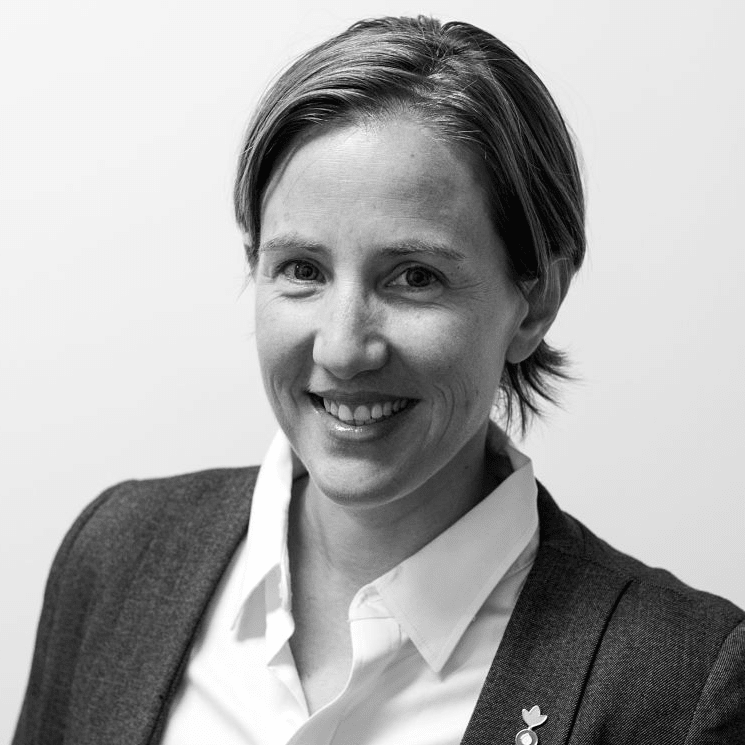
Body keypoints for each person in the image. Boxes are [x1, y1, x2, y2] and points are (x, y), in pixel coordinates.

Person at [13, 15, 744, 745]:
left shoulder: (681, 684)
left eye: (413, 277)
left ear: (535, 302)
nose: (342, 347)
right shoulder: (117, 556)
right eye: (301, 269)